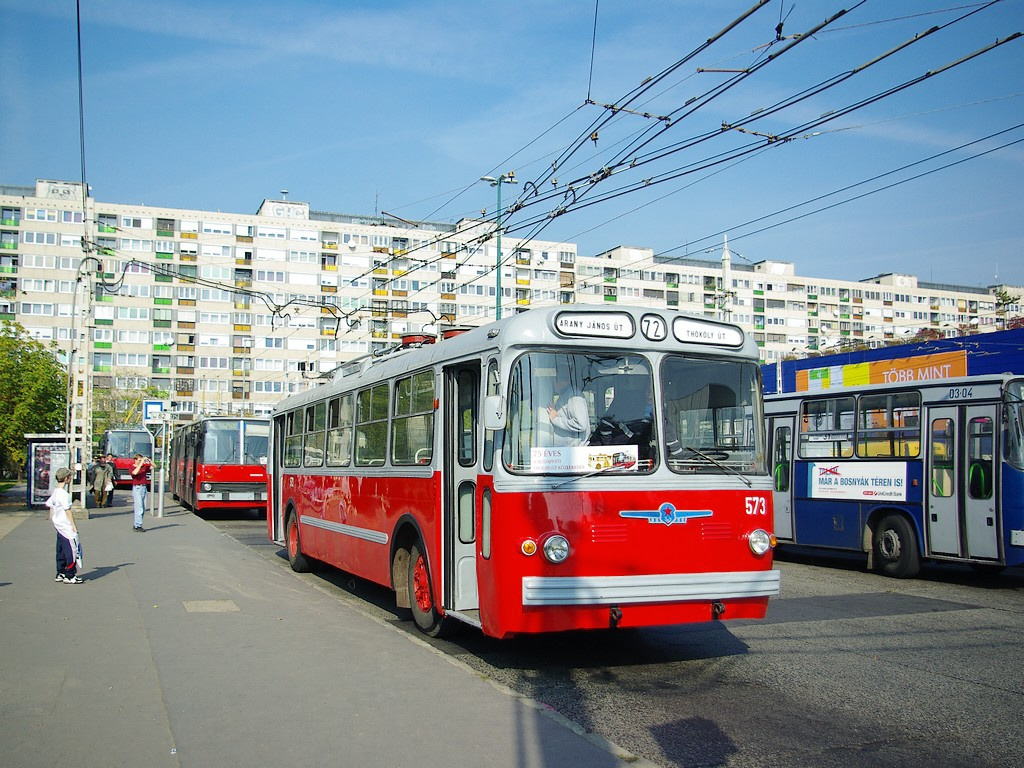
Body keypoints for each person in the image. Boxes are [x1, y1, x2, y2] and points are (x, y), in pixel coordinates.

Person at [46, 467, 83, 584]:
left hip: (58, 524)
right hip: (66, 526)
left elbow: (51, 506)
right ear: (66, 478)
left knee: (60, 549)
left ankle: (60, 572)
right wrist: (74, 526)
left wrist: (53, 520)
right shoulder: (64, 494)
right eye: (70, 476)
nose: (71, 478)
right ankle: (70, 575)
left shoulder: (56, 492)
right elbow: (68, 511)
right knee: (71, 550)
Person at [546, 365, 590, 447]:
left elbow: (581, 424)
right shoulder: (564, 396)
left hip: (574, 453)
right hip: (565, 451)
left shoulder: (573, 395)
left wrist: (555, 419)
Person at [130, 453, 152, 531]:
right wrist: (140, 464)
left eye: (141, 460)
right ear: (135, 460)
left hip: (144, 488)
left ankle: (137, 523)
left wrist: (149, 461)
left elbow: (153, 467)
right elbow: (134, 473)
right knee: (139, 508)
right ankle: (138, 525)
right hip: (137, 488)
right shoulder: (132, 467)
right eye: (139, 460)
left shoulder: (144, 467)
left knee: (143, 507)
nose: (140, 462)